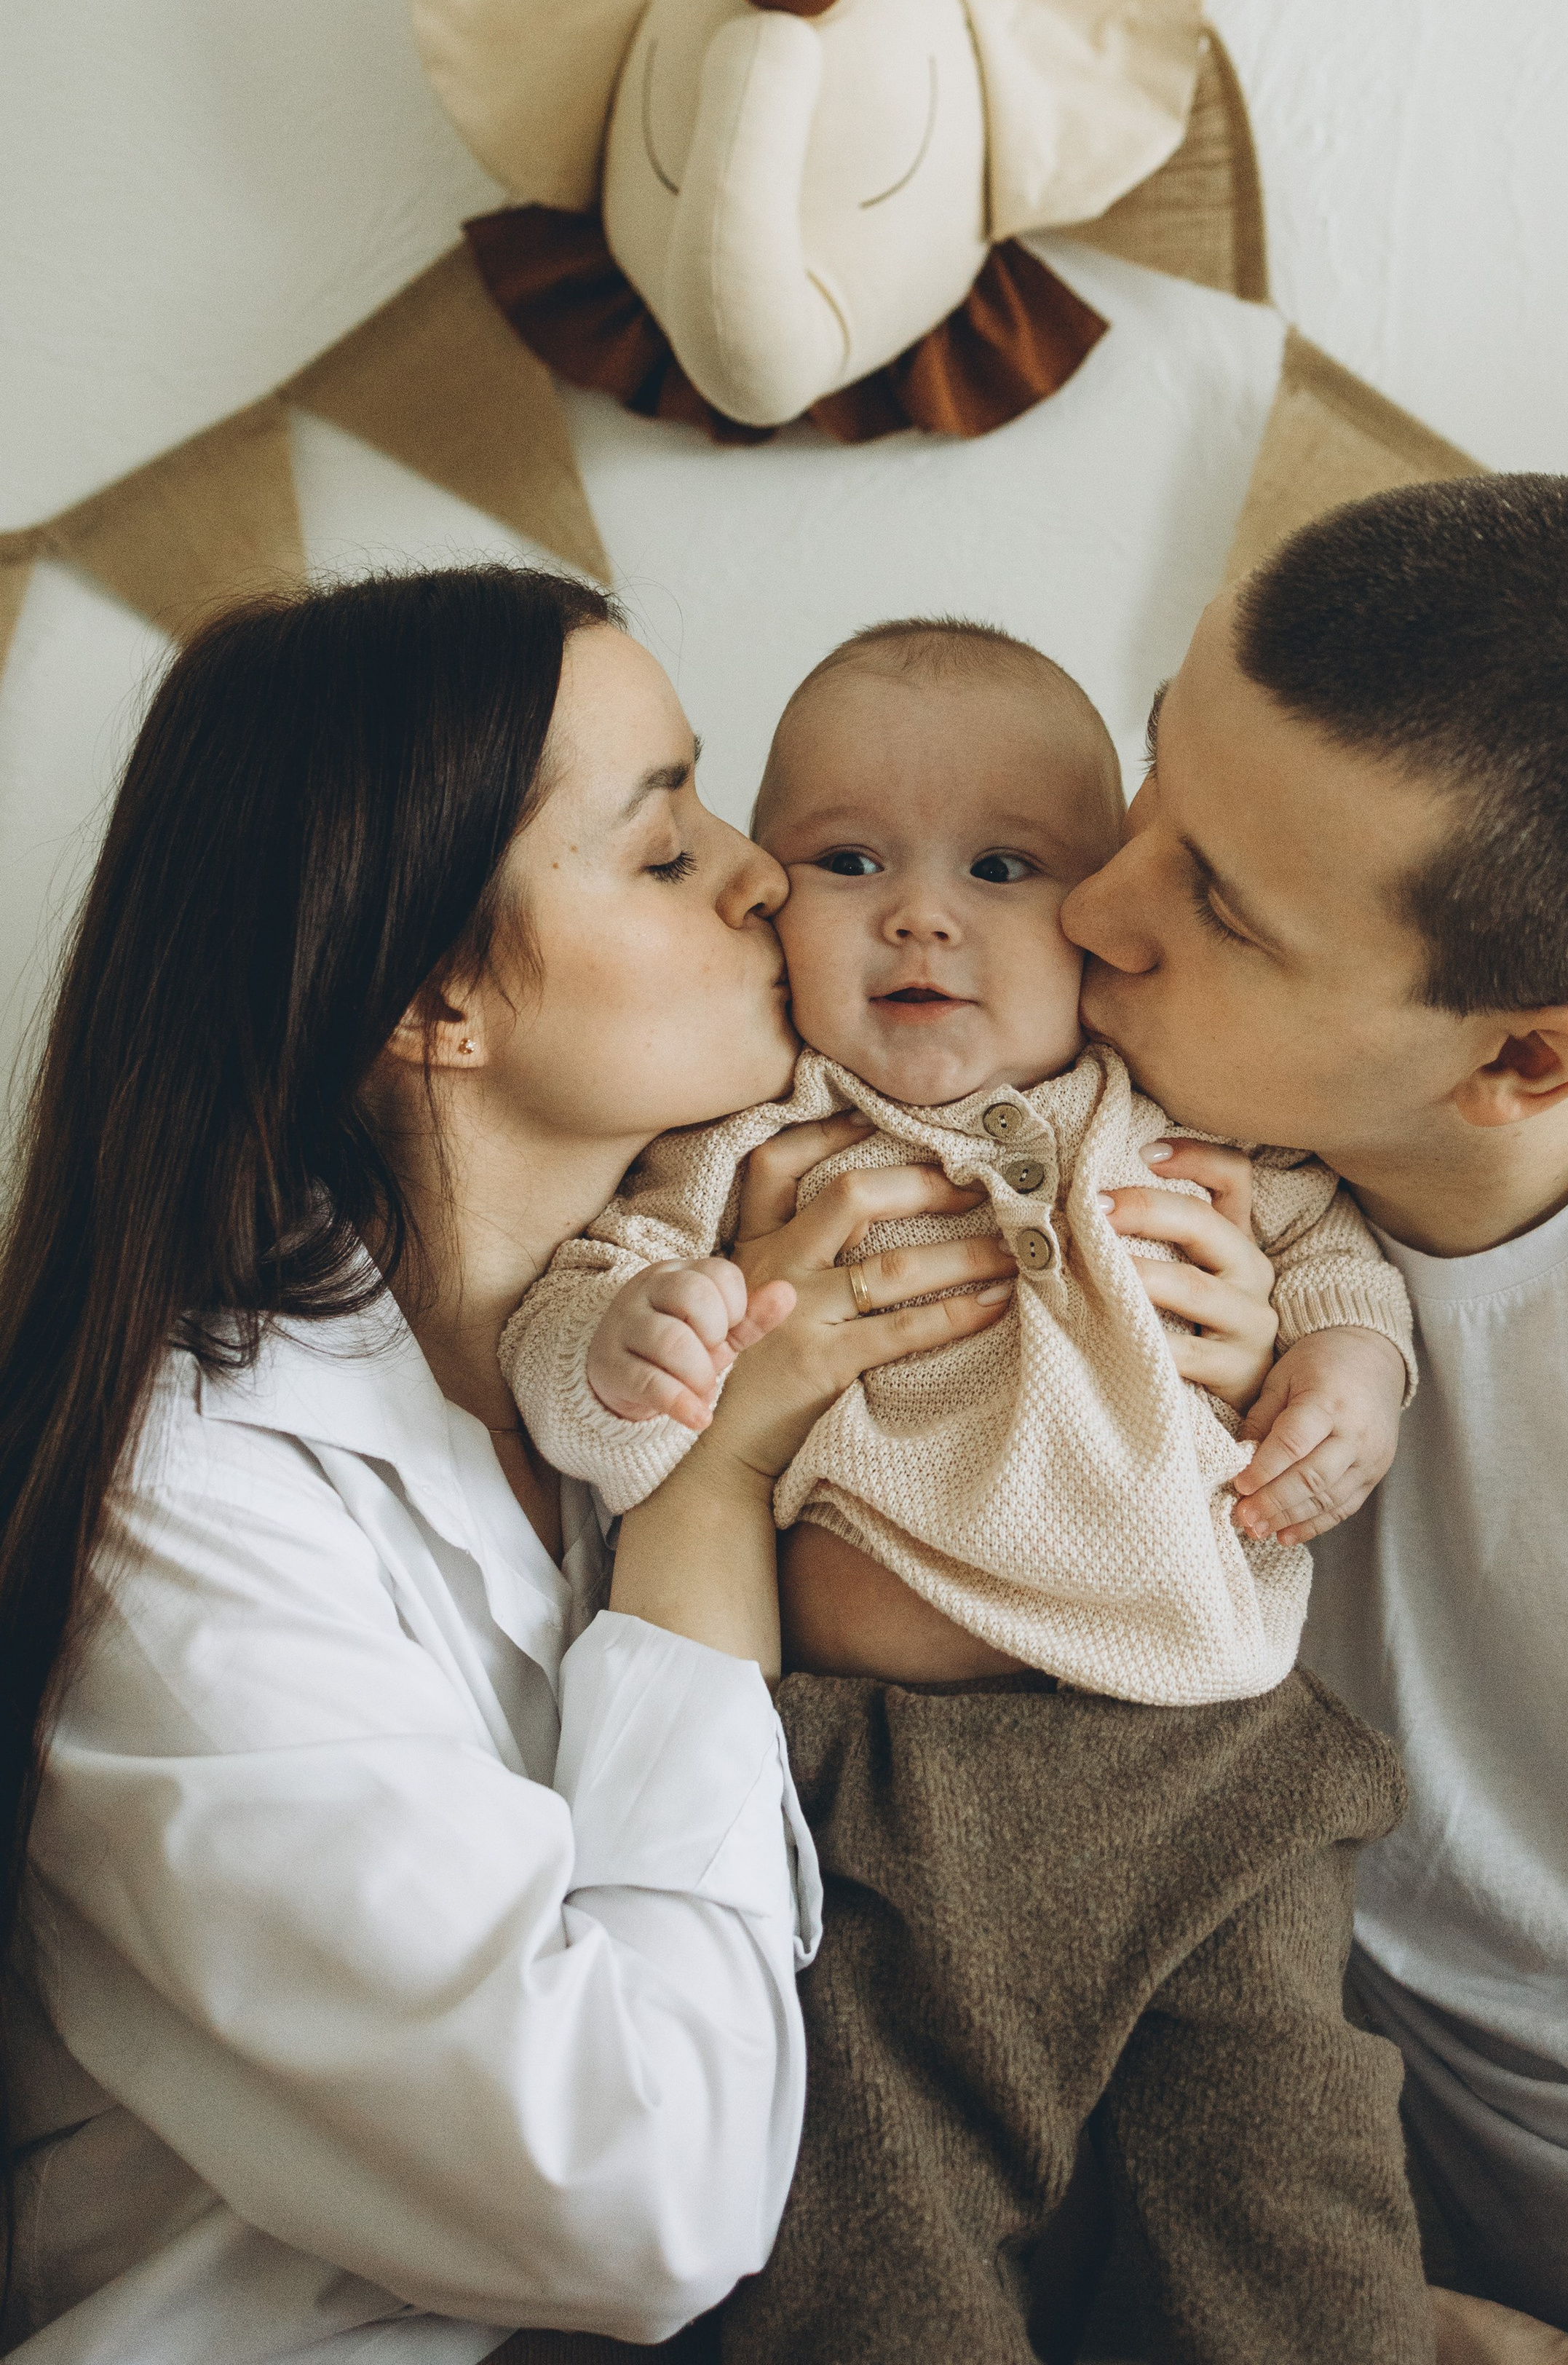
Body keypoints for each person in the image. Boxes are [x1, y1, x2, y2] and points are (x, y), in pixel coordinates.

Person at [0, 566, 1020, 2364]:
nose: (764, 873)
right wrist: (702, 1503)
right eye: (660, 846)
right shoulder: (180, 1516)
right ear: (438, 1001)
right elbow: (638, 2198)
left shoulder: (691, 1292)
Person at [502, 617, 1434, 2365]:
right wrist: (634, 1339)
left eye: (1003, 868)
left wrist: (1346, 1374)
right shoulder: (745, 1137)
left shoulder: (1177, 1118)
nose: (919, 912)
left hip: (1201, 1756)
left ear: (1097, 919)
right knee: (865, 2203)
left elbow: (1335, 1263)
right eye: (847, 861)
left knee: (1281, 2180)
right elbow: (582, 1315)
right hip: (864, 1786)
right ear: (768, 897)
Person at [1060, 475, 1568, 2363]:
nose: (1095, 901)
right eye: (1149, 775)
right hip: (1248, 2214)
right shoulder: (1058, 1113)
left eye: (1220, 910)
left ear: (1525, 1060)